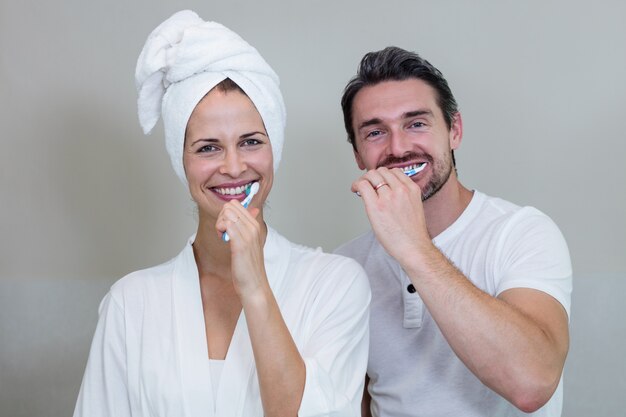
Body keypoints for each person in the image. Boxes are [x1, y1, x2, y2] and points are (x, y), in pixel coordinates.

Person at [73, 10, 370, 417]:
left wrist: (255, 286)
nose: (232, 167)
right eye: (208, 147)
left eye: (250, 141)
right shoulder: (132, 303)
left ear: (274, 150)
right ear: (181, 160)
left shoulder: (334, 286)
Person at [335, 46, 572, 417]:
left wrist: (413, 248)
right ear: (358, 156)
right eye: (376, 132)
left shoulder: (521, 233)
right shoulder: (345, 267)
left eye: (416, 123)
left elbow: (533, 383)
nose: (398, 147)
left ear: (454, 130)